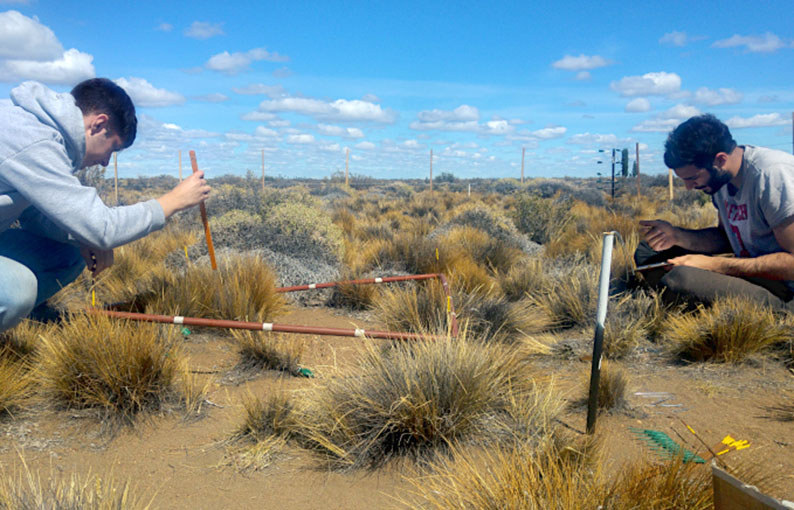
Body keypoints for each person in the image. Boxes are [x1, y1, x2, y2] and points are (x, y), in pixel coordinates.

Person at [0, 78, 210, 332]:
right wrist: (172, 202)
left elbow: (35, 214)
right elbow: (103, 228)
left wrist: (81, 236)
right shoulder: (32, 140)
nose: (105, 163)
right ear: (99, 124)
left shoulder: (40, 133)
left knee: (67, 253)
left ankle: (22, 318)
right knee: (16, 292)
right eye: (112, 149)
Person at [636, 113, 794, 309]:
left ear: (720, 159)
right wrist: (676, 236)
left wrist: (715, 266)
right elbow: (726, 238)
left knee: (681, 279)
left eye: (693, 178)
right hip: (756, 274)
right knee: (650, 251)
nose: (688, 187)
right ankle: (681, 297)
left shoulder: (773, 175)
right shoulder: (721, 181)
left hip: (787, 289)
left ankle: (776, 315)